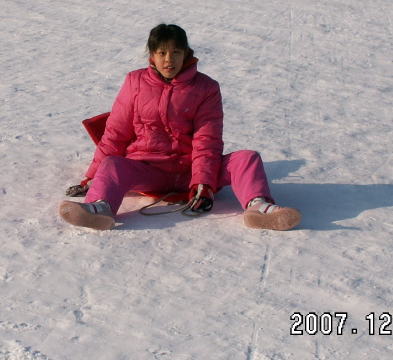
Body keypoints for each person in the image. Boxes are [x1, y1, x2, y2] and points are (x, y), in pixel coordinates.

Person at [58, 24, 302, 232]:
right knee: (112, 164)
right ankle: (100, 207)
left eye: (175, 52)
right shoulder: (135, 82)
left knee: (246, 158)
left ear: (185, 53)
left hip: (190, 171)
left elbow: (208, 139)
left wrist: (203, 184)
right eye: (162, 52)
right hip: (148, 169)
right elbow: (115, 132)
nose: (169, 59)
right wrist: (91, 176)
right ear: (151, 55)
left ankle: (258, 207)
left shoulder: (206, 87)